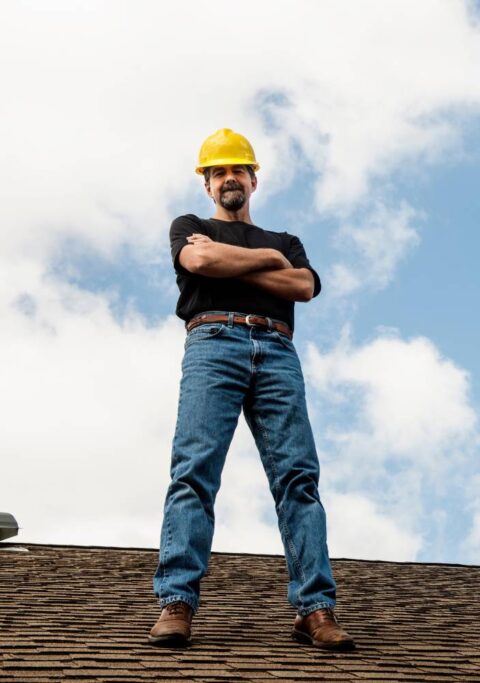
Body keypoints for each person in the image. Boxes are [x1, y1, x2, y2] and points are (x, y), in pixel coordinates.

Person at [149, 128, 354, 651]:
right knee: (194, 472)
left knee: (298, 480)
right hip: (213, 341)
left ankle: (315, 610)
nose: (228, 178)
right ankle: (176, 604)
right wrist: (268, 264)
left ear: (253, 179)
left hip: (277, 349)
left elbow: (303, 286)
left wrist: (236, 259)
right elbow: (198, 263)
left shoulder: (285, 240)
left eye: (237, 169)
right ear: (207, 185)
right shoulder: (191, 228)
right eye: (218, 172)